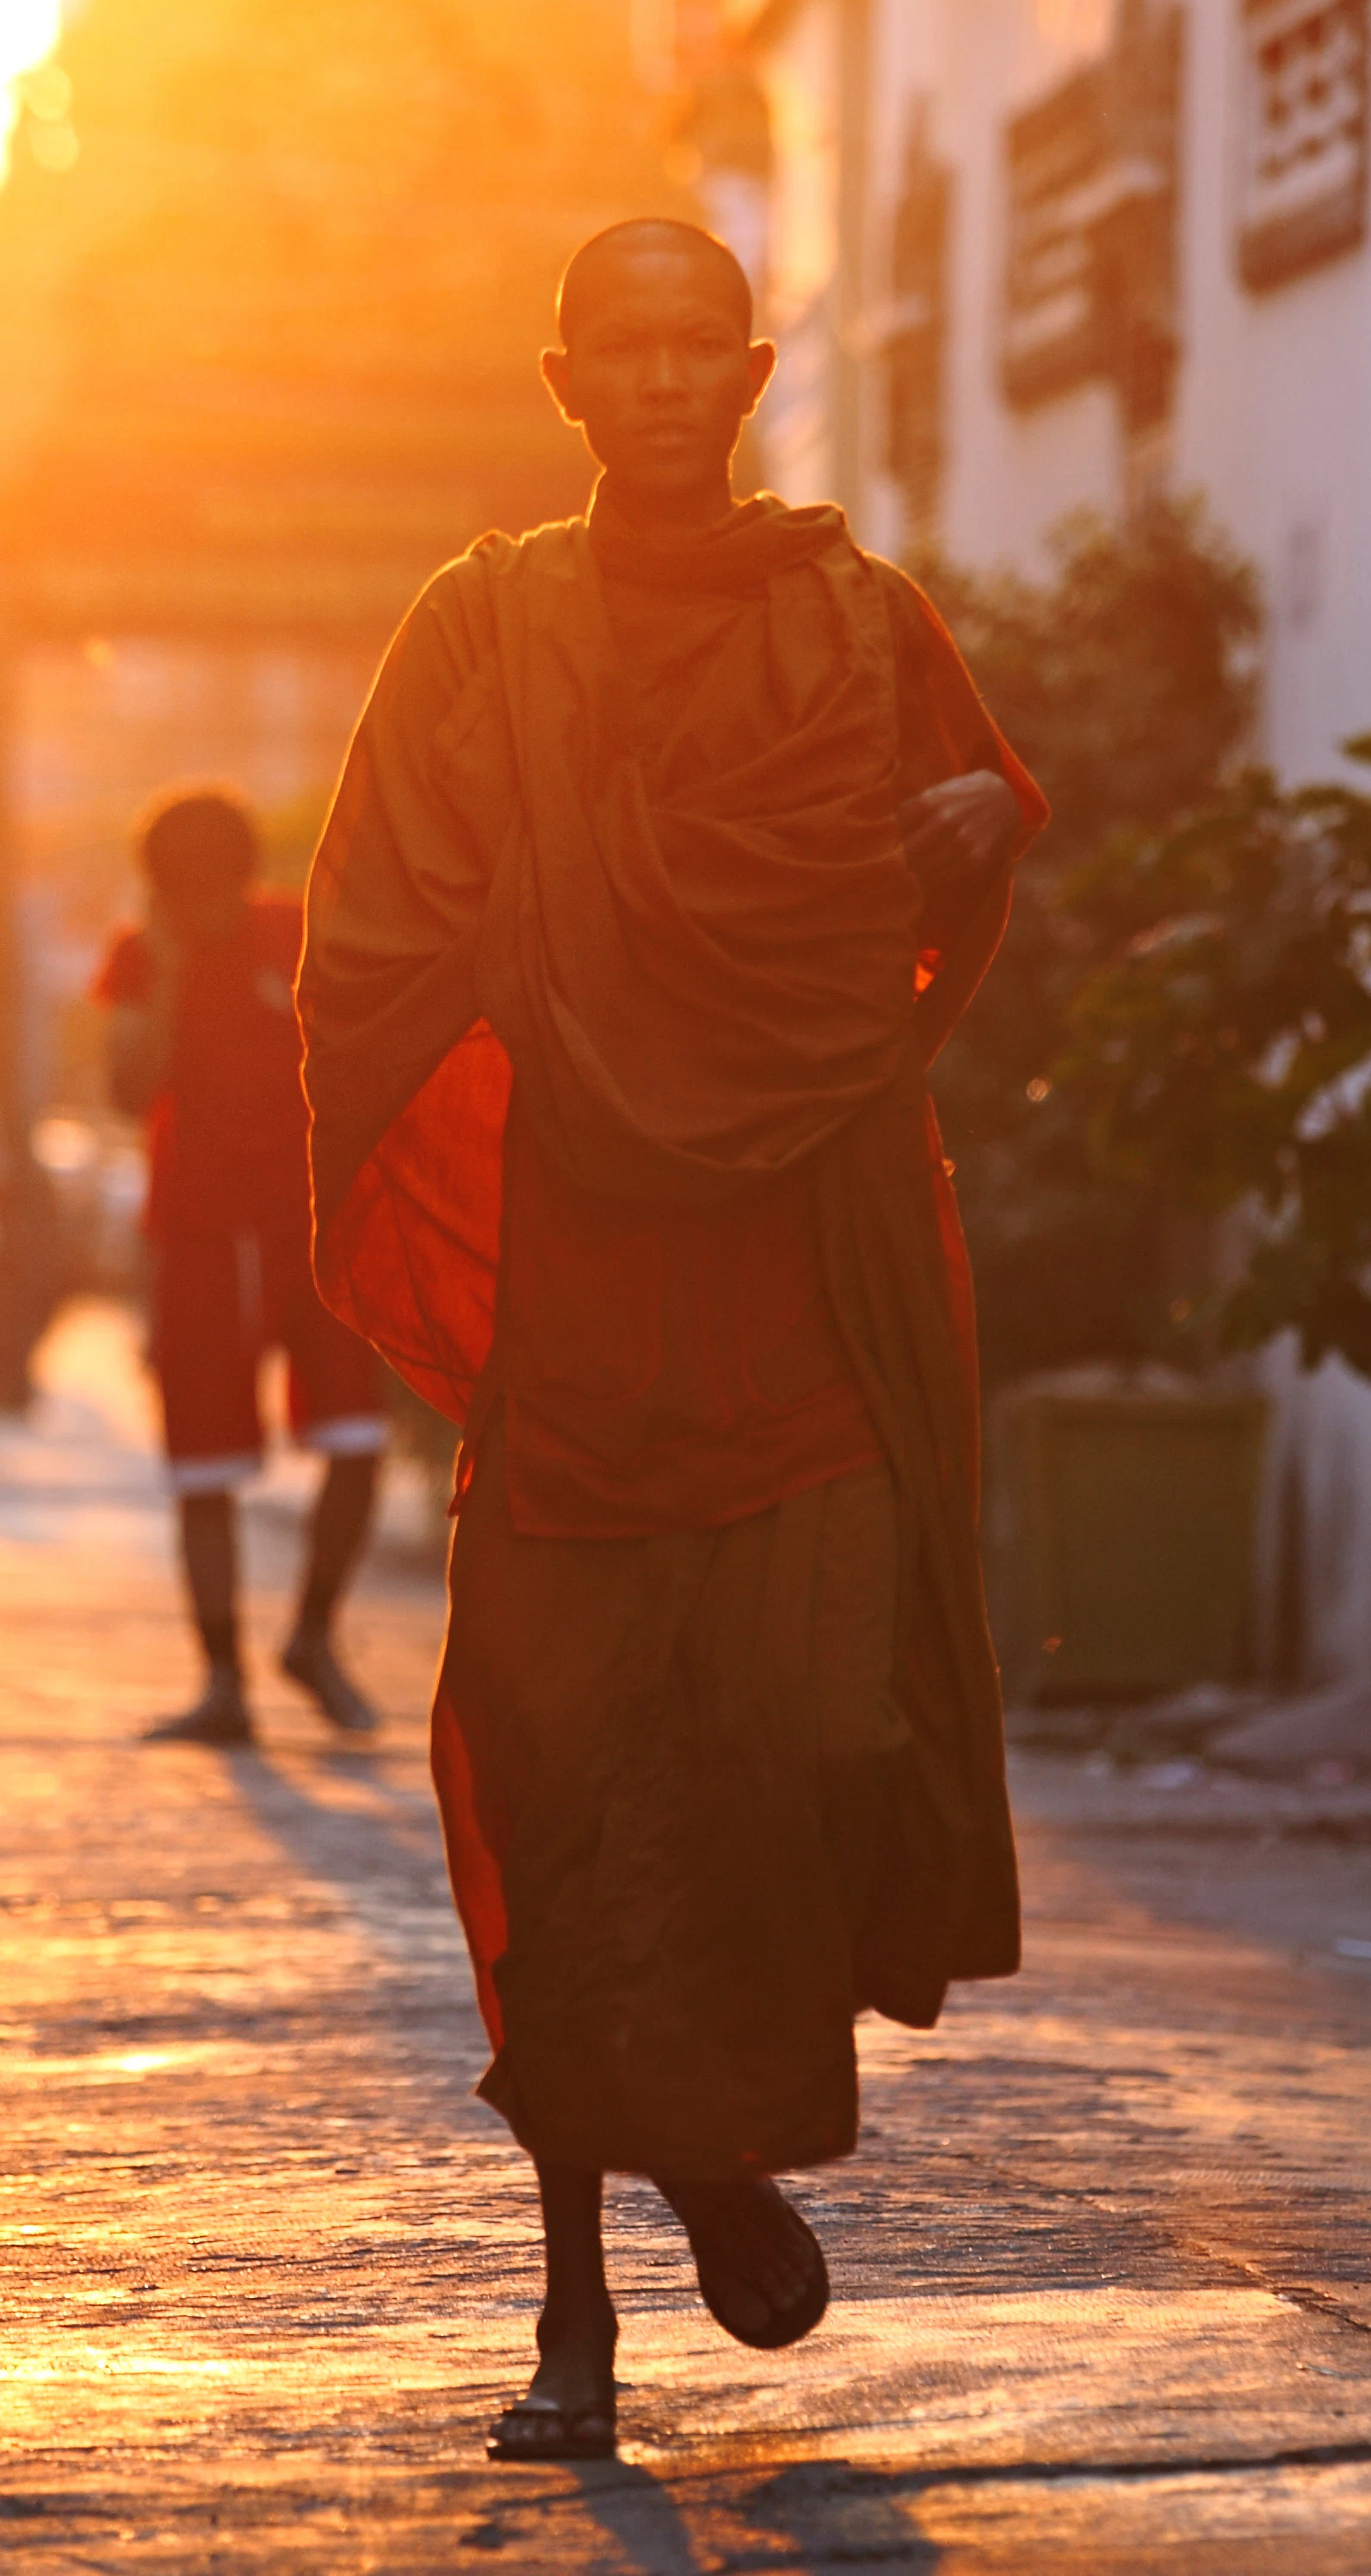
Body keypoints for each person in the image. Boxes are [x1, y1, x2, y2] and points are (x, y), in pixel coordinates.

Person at [297, 219, 1045, 2460]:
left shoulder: (851, 615)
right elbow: (366, 940)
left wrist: (966, 827)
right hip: (593, 1320)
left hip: (798, 1294)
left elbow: (966, 834)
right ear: (559, 376)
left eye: (684, 340)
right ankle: (577, 2310)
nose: (649, 374)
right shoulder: (480, 630)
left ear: (746, 363)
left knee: (814, 1739)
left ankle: (710, 2137)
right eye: (607, 343)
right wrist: (524, 966)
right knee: (557, 1783)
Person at [96, 786, 388, 1745]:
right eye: (180, 902)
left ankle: (312, 1636)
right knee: (203, 1464)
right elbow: (127, 1089)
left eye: (212, 898)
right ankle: (223, 1680)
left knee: (355, 1437)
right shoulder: (142, 959)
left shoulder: (300, 934)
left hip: (312, 1222)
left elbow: (368, 1047)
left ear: (244, 882)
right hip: (199, 1233)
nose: (200, 916)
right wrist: (172, 975)